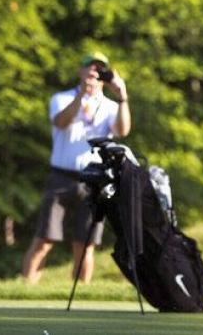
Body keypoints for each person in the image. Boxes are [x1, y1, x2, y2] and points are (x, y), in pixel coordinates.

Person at [22, 52, 131, 284]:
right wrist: (81, 96)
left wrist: (122, 97)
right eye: (89, 67)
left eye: (99, 69)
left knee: (85, 244)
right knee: (44, 239)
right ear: (80, 72)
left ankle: (81, 296)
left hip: (94, 181)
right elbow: (61, 122)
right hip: (61, 177)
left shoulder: (111, 106)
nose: (93, 72)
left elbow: (122, 131)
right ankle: (26, 289)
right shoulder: (62, 98)